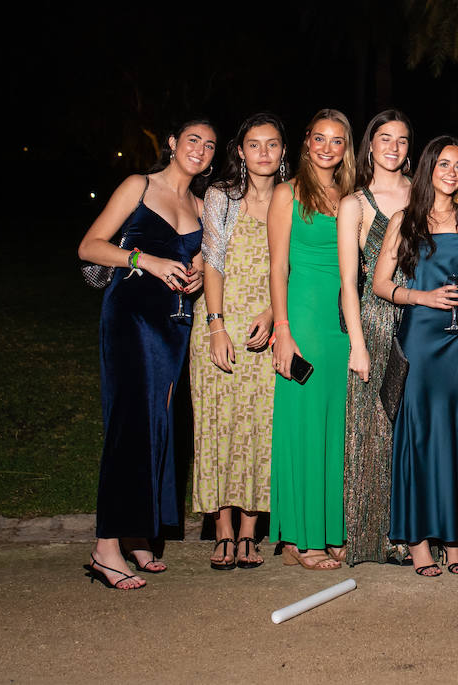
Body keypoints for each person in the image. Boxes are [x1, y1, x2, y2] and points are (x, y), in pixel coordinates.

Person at [78, 118, 216, 588]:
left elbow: (195, 262)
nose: (199, 149)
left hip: (174, 325)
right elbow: (89, 246)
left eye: (209, 145)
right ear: (174, 144)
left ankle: (139, 533)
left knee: (159, 425)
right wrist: (144, 259)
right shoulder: (139, 185)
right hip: (131, 317)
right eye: (192, 139)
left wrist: (196, 277)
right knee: (129, 424)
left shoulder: (199, 204)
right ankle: (105, 549)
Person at [375, 136, 458, 576]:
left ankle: (453, 536)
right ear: (428, 169)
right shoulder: (405, 220)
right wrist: (421, 297)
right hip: (421, 342)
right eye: (444, 165)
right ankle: (419, 538)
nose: (452, 173)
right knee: (421, 436)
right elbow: (381, 285)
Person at [191, 113, 286, 571]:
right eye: (254, 145)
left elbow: (289, 268)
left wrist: (272, 313)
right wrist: (216, 326)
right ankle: (223, 529)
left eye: (272, 144)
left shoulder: (291, 200)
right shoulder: (221, 197)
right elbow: (212, 261)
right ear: (241, 152)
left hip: (268, 328)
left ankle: (250, 531)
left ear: (284, 151)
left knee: (260, 428)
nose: (263, 152)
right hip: (220, 324)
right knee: (218, 425)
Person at [269, 109, 355, 570]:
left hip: (341, 321)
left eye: (336, 140)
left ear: (346, 148)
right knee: (303, 422)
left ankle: (329, 526)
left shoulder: (349, 196)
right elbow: (278, 267)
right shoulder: (288, 193)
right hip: (303, 317)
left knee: (334, 425)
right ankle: (303, 537)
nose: (327, 147)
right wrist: (283, 330)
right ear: (306, 142)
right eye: (319, 138)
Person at [338, 110, 413, 565]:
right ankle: (372, 537)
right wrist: (359, 344)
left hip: (420, 320)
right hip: (375, 320)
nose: (393, 147)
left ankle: (409, 532)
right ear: (369, 145)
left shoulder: (422, 192)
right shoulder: (355, 203)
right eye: (384, 138)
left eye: (402, 140)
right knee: (372, 432)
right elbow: (349, 280)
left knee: (409, 432)